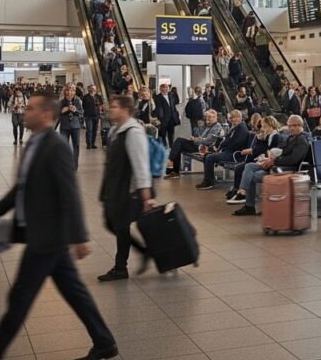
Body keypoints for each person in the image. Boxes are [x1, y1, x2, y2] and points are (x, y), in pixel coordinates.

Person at [0, 93, 117, 360]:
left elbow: (70, 193)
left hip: (48, 237)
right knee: (74, 292)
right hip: (39, 233)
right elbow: (20, 189)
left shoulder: (56, 147)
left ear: (46, 115)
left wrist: (80, 236)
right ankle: (104, 342)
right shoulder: (33, 144)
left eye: (30, 109)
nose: (24, 112)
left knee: (20, 297)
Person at [97, 95, 155, 282]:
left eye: (114, 107)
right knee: (113, 224)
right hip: (115, 187)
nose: (110, 109)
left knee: (120, 226)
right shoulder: (116, 130)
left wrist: (145, 194)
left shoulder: (134, 132)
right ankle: (145, 252)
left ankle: (121, 267)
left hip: (128, 190)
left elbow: (141, 165)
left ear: (126, 110)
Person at [231, 115, 312, 216]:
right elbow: (281, 149)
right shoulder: (291, 137)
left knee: (252, 176)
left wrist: (274, 161)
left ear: (301, 126)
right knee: (249, 166)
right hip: (277, 164)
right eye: (290, 125)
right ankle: (242, 191)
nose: (291, 128)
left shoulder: (302, 140)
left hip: (287, 168)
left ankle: (249, 205)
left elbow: (294, 160)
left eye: (295, 125)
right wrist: (270, 158)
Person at [196, 109, 251, 190]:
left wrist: (224, 145)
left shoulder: (242, 128)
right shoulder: (235, 128)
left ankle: (209, 182)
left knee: (210, 158)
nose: (232, 119)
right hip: (227, 151)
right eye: (231, 118)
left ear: (239, 118)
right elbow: (226, 140)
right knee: (207, 155)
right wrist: (219, 147)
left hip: (234, 154)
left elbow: (236, 143)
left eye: (234, 118)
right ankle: (208, 180)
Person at [164, 109, 224, 179]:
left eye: (210, 117)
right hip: (199, 144)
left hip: (204, 148)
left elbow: (208, 141)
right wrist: (196, 139)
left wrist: (195, 139)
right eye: (207, 117)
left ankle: (172, 164)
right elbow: (203, 138)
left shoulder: (216, 126)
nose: (208, 119)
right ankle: (174, 169)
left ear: (215, 117)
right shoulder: (209, 126)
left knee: (179, 142)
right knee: (178, 143)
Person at [58, 84, 84, 169]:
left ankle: (75, 164)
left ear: (75, 91)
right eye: (68, 90)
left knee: (76, 145)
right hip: (64, 127)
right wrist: (62, 111)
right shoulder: (61, 102)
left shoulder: (78, 101)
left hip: (75, 126)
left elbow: (81, 113)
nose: (70, 92)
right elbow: (57, 114)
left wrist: (76, 111)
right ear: (65, 91)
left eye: (72, 90)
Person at [152, 83, 177, 148]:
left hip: (171, 118)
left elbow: (173, 106)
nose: (165, 89)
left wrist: (176, 115)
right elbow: (158, 109)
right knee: (163, 134)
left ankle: (172, 146)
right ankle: (164, 146)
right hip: (163, 119)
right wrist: (161, 119)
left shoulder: (171, 95)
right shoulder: (157, 97)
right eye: (163, 88)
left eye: (166, 88)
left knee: (171, 133)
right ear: (160, 89)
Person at [81, 85, 102, 150]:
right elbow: (83, 106)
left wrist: (100, 112)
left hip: (96, 116)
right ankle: (88, 144)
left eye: (94, 88)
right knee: (89, 130)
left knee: (94, 130)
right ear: (89, 89)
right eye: (92, 88)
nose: (93, 90)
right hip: (88, 116)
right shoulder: (85, 97)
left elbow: (101, 104)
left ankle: (93, 143)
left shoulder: (98, 96)